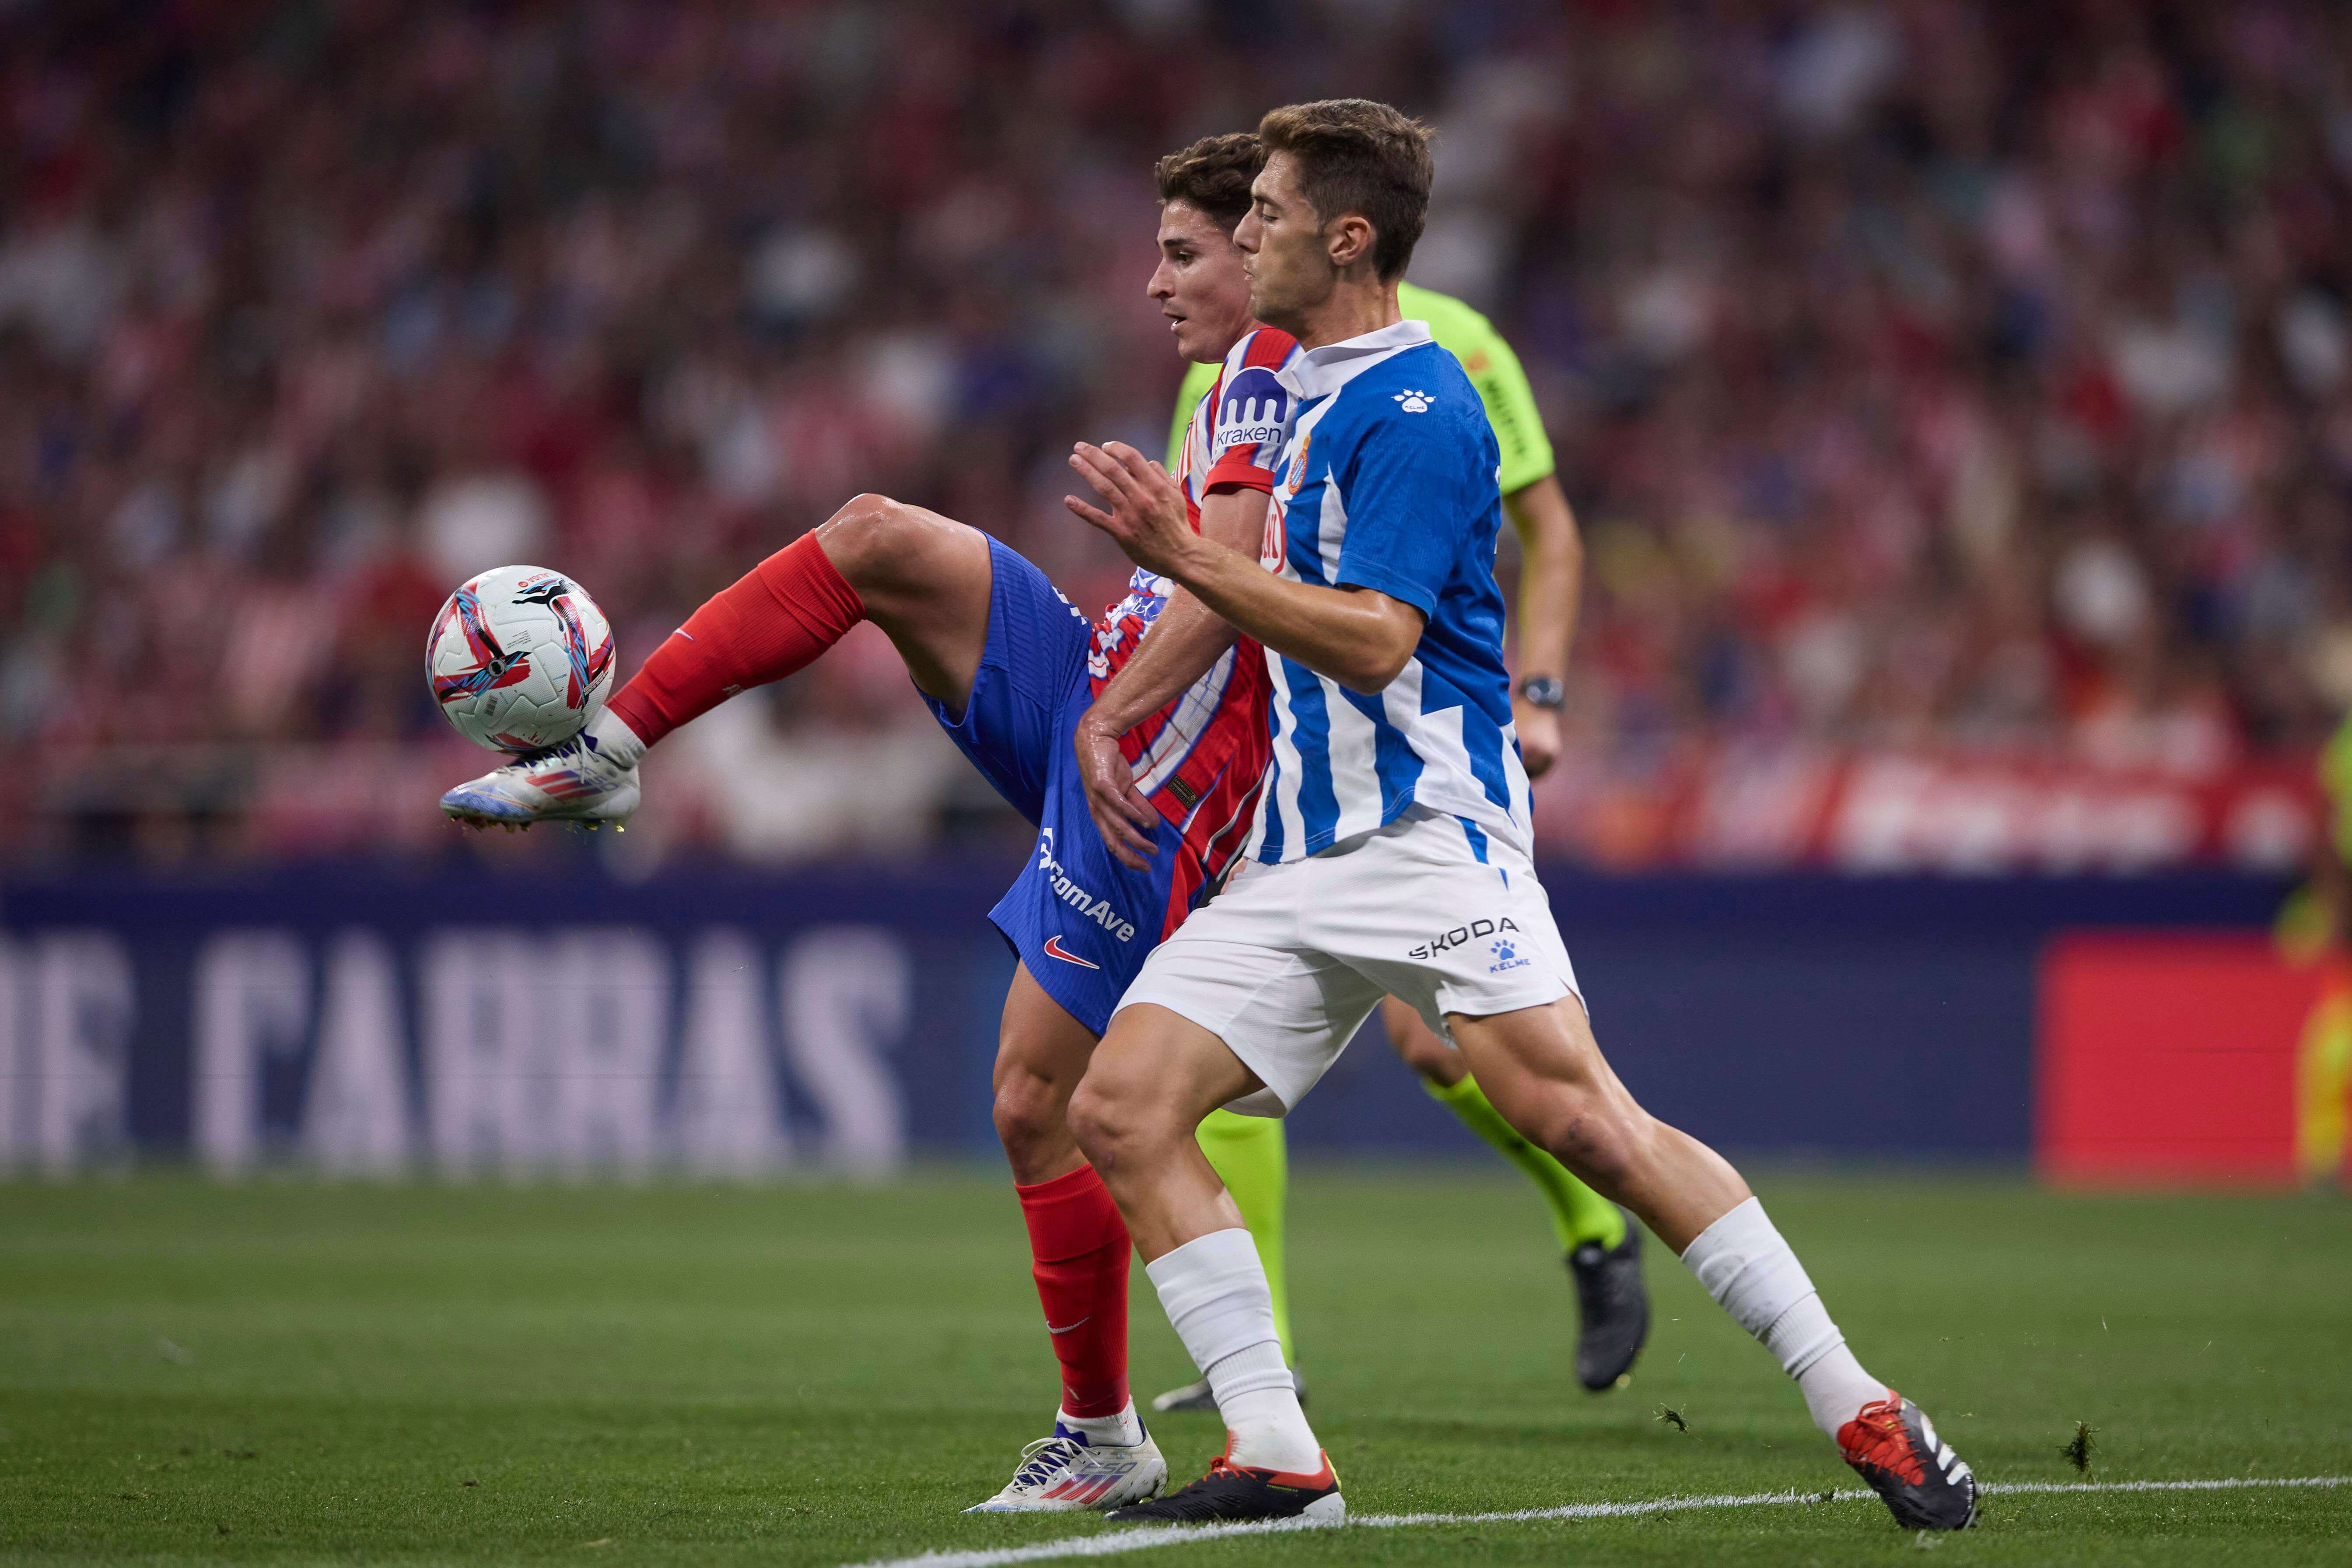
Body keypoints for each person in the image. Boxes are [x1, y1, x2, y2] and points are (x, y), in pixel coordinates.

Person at [1059, 98, 1979, 1531]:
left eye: (1267, 217)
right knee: (1119, 1108)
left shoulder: (1419, 407)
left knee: (1588, 1125)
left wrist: (1182, 553)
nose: (1241, 241)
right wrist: (1120, 704)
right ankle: (1278, 1453)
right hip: (1297, 859)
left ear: (1346, 237)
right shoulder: (1275, 390)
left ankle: (1857, 1397)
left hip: (1432, 838)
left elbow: (1373, 641)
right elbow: (1230, 588)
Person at [437, 134, 1293, 1515]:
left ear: (1267, 249)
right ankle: (606, 749)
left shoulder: (1294, 385)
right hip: (1109, 694)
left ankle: (1112, 1435)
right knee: (877, 534)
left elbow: (1236, 589)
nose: (1151, 283)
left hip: (1159, 766)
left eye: (1182, 253)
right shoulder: (1232, 378)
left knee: (1036, 1102)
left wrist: (1113, 713)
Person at [1145, 260, 1645, 1421]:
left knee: (1439, 1048)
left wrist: (1546, 695)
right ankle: (1263, 1354)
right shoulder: (1226, 368)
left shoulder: (1458, 344)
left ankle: (1592, 1218)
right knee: (1211, 1061)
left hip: (1418, 753)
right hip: (1286, 749)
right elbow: (1211, 559)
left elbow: (1550, 533)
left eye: (1278, 210)